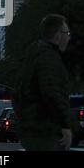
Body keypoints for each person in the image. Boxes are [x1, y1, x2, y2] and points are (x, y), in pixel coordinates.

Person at [14, 14, 72, 151]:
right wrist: (65, 125)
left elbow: (17, 93)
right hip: (45, 131)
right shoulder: (47, 57)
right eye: (67, 33)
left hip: (33, 129)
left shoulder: (34, 54)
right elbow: (51, 92)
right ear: (58, 35)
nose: (69, 37)